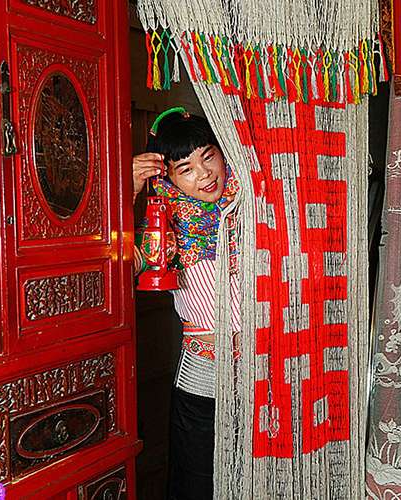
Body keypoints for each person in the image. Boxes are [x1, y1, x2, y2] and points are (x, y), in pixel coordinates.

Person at [132, 107, 241, 500]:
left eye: (208, 157)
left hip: (262, 369)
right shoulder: (164, 226)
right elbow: (118, 268)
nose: (205, 174)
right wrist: (128, 191)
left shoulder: (253, 209)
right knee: (198, 479)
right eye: (186, 168)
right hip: (204, 371)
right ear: (169, 177)